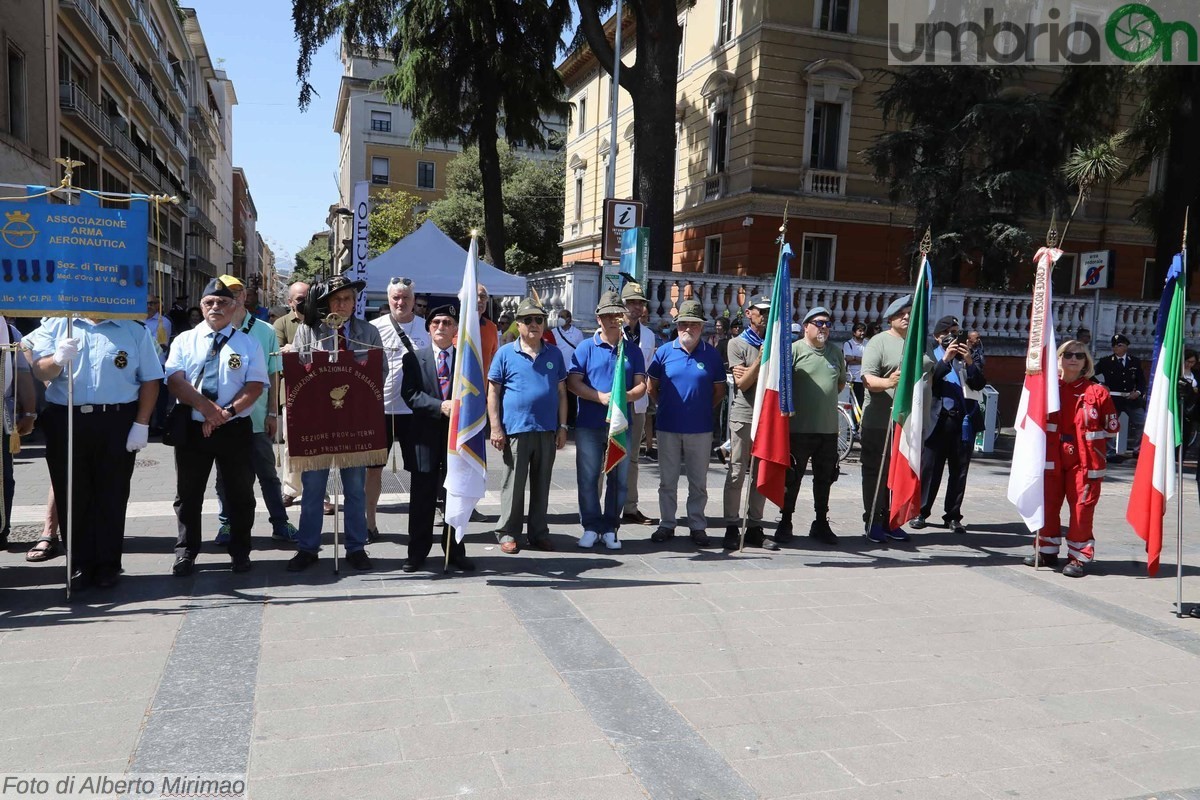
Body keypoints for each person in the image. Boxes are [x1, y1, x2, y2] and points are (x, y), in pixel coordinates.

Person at [26, 309, 163, 589]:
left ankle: (108, 564)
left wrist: (142, 423)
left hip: (116, 418)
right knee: (71, 493)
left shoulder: (134, 331)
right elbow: (39, 368)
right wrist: (57, 359)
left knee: (112, 493)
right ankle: (79, 563)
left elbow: (150, 379)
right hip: (67, 417)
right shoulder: (57, 324)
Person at [165, 277, 266, 577]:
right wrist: (208, 410)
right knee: (188, 495)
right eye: (209, 302)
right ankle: (186, 552)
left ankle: (240, 551)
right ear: (201, 307)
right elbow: (174, 381)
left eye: (222, 302)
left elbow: (256, 385)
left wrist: (224, 414)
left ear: (235, 307)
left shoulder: (248, 343)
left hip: (234, 429)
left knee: (240, 494)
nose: (215, 308)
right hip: (194, 428)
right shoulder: (185, 340)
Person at [287, 274, 386, 572]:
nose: (342, 305)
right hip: (317, 420)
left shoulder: (368, 332)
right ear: (326, 302)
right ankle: (308, 547)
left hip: (353, 419)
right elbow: (298, 370)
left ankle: (356, 547)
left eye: (347, 299)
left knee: (355, 488)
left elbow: (380, 372)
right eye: (336, 299)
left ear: (355, 303)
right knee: (313, 487)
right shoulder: (307, 331)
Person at [211, 275, 297, 546]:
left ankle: (280, 523)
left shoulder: (265, 330)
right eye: (226, 295)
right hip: (223, 419)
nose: (233, 299)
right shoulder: (212, 329)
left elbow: (274, 375)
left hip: (258, 418)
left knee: (268, 476)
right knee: (224, 478)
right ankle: (227, 524)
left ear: (244, 296)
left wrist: (273, 414)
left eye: (236, 293)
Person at [1024, 341, 1119, 577]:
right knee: (1047, 504)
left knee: (1081, 509)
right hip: (1051, 457)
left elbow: (1111, 428)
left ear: (1086, 361)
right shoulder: (1046, 390)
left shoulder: (1097, 392)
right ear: (1058, 358)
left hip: (1085, 462)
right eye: (1067, 354)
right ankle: (1046, 550)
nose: (1073, 359)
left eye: (1079, 355)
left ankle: (1078, 557)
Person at [488, 297, 568, 554]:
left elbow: (563, 392)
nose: (534, 324)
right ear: (518, 324)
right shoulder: (505, 353)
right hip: (516, 430)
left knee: (542, 484)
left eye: (538, 319)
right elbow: (493, 393)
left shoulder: (554, 353)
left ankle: (538, 532)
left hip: (546, 429)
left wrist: (563, 426)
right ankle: (508, 532)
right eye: (527, 320)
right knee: (513, 484)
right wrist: (495, 427)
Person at [568, 291, 647, 550]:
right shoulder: (585, 347)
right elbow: (573, 383)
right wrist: (600, 397)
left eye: (617, 314)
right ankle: (591, 526)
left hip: (621, 424)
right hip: (590, 423)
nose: (613, 319)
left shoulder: (632, 350)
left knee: (619, 477)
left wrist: (620, 399)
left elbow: (641, 386)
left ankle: (611, 527)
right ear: (598, 318)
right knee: (588, 476)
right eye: (607, 315)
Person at [400, 304, 475, 573]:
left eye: (447, 323)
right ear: (428, 328)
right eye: (436, 323)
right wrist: (439, 406)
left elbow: (474, 395)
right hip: (424, 438)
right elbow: (410, 395)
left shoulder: (467, 362)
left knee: (456, 495)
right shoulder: (413, 359)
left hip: (457, 440)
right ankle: (417, 552)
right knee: (422, 498)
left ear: (455, 329)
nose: (441, 327)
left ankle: (455, 551)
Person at [647, 300, 726, 548]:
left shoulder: (711, 355)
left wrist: (699, 408)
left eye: (693, 324)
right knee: (667, 480)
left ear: (702, 327)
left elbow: (719, 391)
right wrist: (667, 406)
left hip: (700, 429)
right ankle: (667, 523)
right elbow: (652, 387)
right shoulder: (663, 352)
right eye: (683, 324)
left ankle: (697, 525)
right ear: (677, 325)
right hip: (668, 426)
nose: (687, 329)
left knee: (698, 482)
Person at [908, 316, 985, 534]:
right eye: (948, 333)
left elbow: (979, 383)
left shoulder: (969, 356)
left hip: (964, 421)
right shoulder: (931, 355)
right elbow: (930, 380)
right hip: (938, 419)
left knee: (959, 471)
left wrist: (969, 361)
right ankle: (921, 512)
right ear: (937, 336)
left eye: (956, 332)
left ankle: (952, 515)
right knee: (930, 469)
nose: (953, 337)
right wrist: (946, 359)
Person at [367, 276, 430, 542]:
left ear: (414, 301)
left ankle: (420, 526)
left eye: (405, 297)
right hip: (379, 410)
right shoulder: (373, 328)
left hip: (415, 411)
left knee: (420, 471)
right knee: (372, 470)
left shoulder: (429, 328)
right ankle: (369, 523)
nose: (400, 302)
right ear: (388, 299)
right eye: (395, 297)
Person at [778, 307, 846, 546]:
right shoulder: (793, 351)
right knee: (792, 479)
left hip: (828, 430)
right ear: (806, 326)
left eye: (828, 323)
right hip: (798, 429)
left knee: (825, 478)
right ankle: (785, 521)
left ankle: (820, 522)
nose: (824, 327)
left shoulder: (835, 353)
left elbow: (839, 385)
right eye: (818, 323)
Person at [720, 295, 779, 551]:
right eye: (760, 311)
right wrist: (759, 360)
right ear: (748, 314)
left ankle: (755, 525)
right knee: (736, 472)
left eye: (768, 311)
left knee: (760, 474)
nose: (764, 316)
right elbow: (742, 384)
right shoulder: (737, 343)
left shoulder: (776, 343)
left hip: (767, 415)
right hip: (744, 414)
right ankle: (731, 525)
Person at [860, 296, 912, 543]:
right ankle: (873, 520)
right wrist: (889, 382)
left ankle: (893, 519)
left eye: (910, 313)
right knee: (876, 474)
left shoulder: (917, 343)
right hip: (880, 422)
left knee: (900, 473)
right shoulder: (878, 342)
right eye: (901, 313)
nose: (906, 317)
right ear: (890, 318)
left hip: (906, 423)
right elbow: (867, 379)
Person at [620, 281, 658, 526]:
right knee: (608, 455)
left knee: (632, 459)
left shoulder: (648, 334)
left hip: (638, 404)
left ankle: (630, 507)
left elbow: (650, 369)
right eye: (632, 302)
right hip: (613, 403)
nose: (636, 307)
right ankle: (603, 507)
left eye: (640, 303)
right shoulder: (609, 329)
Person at [273, 280, 310, 508]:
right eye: (300, 299)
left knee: (321, 445)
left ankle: (321, 493)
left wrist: (293, 352)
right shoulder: (281, 323)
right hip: (291, 394)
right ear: (290, 302)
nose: (304, 303)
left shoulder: (323, 322)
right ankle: (291, 489)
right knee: (292, 444)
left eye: (308, 298)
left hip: (320, 393)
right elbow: (278, 360)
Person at [0, 317, 35, 549]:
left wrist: (30, 413)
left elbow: (22, 374)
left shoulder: (11, 333)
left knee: (3, 478)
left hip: (1, 415)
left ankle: (2, 530)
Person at [1094, 333, 1146, 458]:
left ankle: (1138, 449)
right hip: (1113, 398)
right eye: (1114, 346)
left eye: (1119, 345)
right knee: (1110, 423)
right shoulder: (1106, 361)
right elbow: (1090, 372)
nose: (1116, 348)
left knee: (1142, 422)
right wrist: (1100, 385)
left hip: (1130, 398)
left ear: (1126, 347)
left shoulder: (1134, 361)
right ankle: (1110, 451)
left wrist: (1138, 392)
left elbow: (1141, 381)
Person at [550, 308, 585, 428]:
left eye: (562, 316)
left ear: (569, 319)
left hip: (571, 369)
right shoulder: (554, 332)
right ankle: (557, 419)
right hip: (558, 369)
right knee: (557, 394)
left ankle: (571, 420)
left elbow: (580, 351)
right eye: (559, 316)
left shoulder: (577, 333)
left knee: (571, 395)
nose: (560, 318)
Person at [145, 295, 173, 434]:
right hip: (142, 363)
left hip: (159, 363)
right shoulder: (137, 320)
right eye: (146, 303)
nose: (149, 306)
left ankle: (160, 424)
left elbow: (162, 345)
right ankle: (147, 424)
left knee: (160, 397)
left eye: (152, 303)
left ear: (158, 305)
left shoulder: (164, 322)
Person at [475, 283, 500, 377]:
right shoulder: (454, 325)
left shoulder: (491, 327)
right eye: (474, 296)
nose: (479, 300)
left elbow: (494, 358)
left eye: (482, 297)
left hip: (483, 387)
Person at [843, 322, 867, 410]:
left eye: (864, 330)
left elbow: (869, 360)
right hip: (853, 378)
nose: (862, 333)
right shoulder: (848, 344)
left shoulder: (867, 343)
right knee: (854, 404)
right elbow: (848, 359)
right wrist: (863, 360)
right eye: (860, 331)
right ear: (854, 332)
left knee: (862, 403)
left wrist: (855, 358)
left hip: (865, 377)